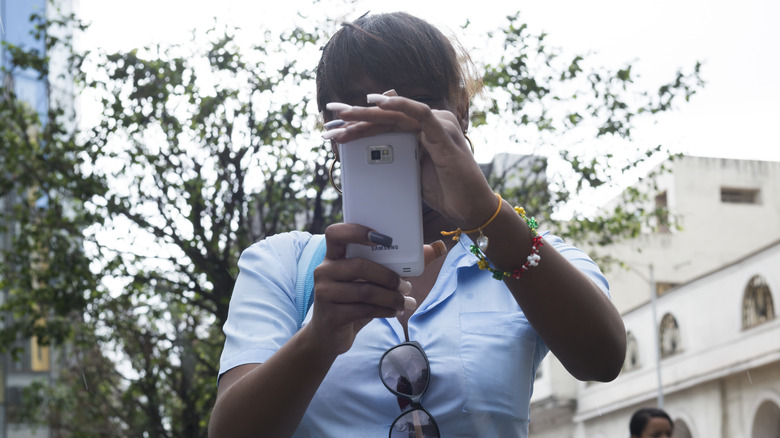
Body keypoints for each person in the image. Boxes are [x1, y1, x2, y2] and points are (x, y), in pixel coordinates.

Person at [209, 11, 626, 438]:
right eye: (362, 105)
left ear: (460, 113)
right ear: (333, 132)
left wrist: (488, 215)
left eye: (418, 102)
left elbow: (603, 360)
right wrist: (318, 339)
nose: (394, 123)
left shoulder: (524, 251)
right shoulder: (282, 264)